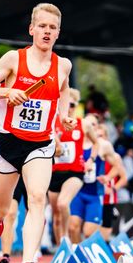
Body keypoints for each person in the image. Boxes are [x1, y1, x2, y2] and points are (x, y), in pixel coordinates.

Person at [0, 3, 76, 263]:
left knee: (37, 199)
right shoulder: (13, 60)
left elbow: (63, 88)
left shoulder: (63, 65)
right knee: (1, 208)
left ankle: (28, 262)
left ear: (58, 33)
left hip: (40, 145)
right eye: (42, 26)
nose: (47, 31)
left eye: (52, 28)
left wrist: (64, 116)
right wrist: (9, 91)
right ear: (31, 29)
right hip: (7, 144)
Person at [48, 88, 98, 246]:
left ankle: (65, 239)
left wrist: (91, 160)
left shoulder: (83, 124)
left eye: (71, 104)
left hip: (75, 172)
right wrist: (56, 143)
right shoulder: (51, 122)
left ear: (76, 106)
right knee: (56, 216)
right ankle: (60, 250)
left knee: (63, 203)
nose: (67, 107)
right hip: (54, 172)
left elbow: (96, 142)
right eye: (64, 104)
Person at [68, 115, 122, 243]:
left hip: (95, 195)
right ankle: (77, 254)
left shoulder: (103, 145)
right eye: (87, 124)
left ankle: (89, 256)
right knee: (73, 226)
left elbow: (117, 166)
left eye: (93, 125)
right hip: (77, 192)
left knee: (88, 233)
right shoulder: (76, 142)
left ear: (97, 127)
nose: (90, 127)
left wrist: (107, 177)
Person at [0, 178, 28, 263]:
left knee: (32, 212)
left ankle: (31, 254)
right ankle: (6, 256)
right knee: (9, 214)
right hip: (15, 173)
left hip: (32, 172)